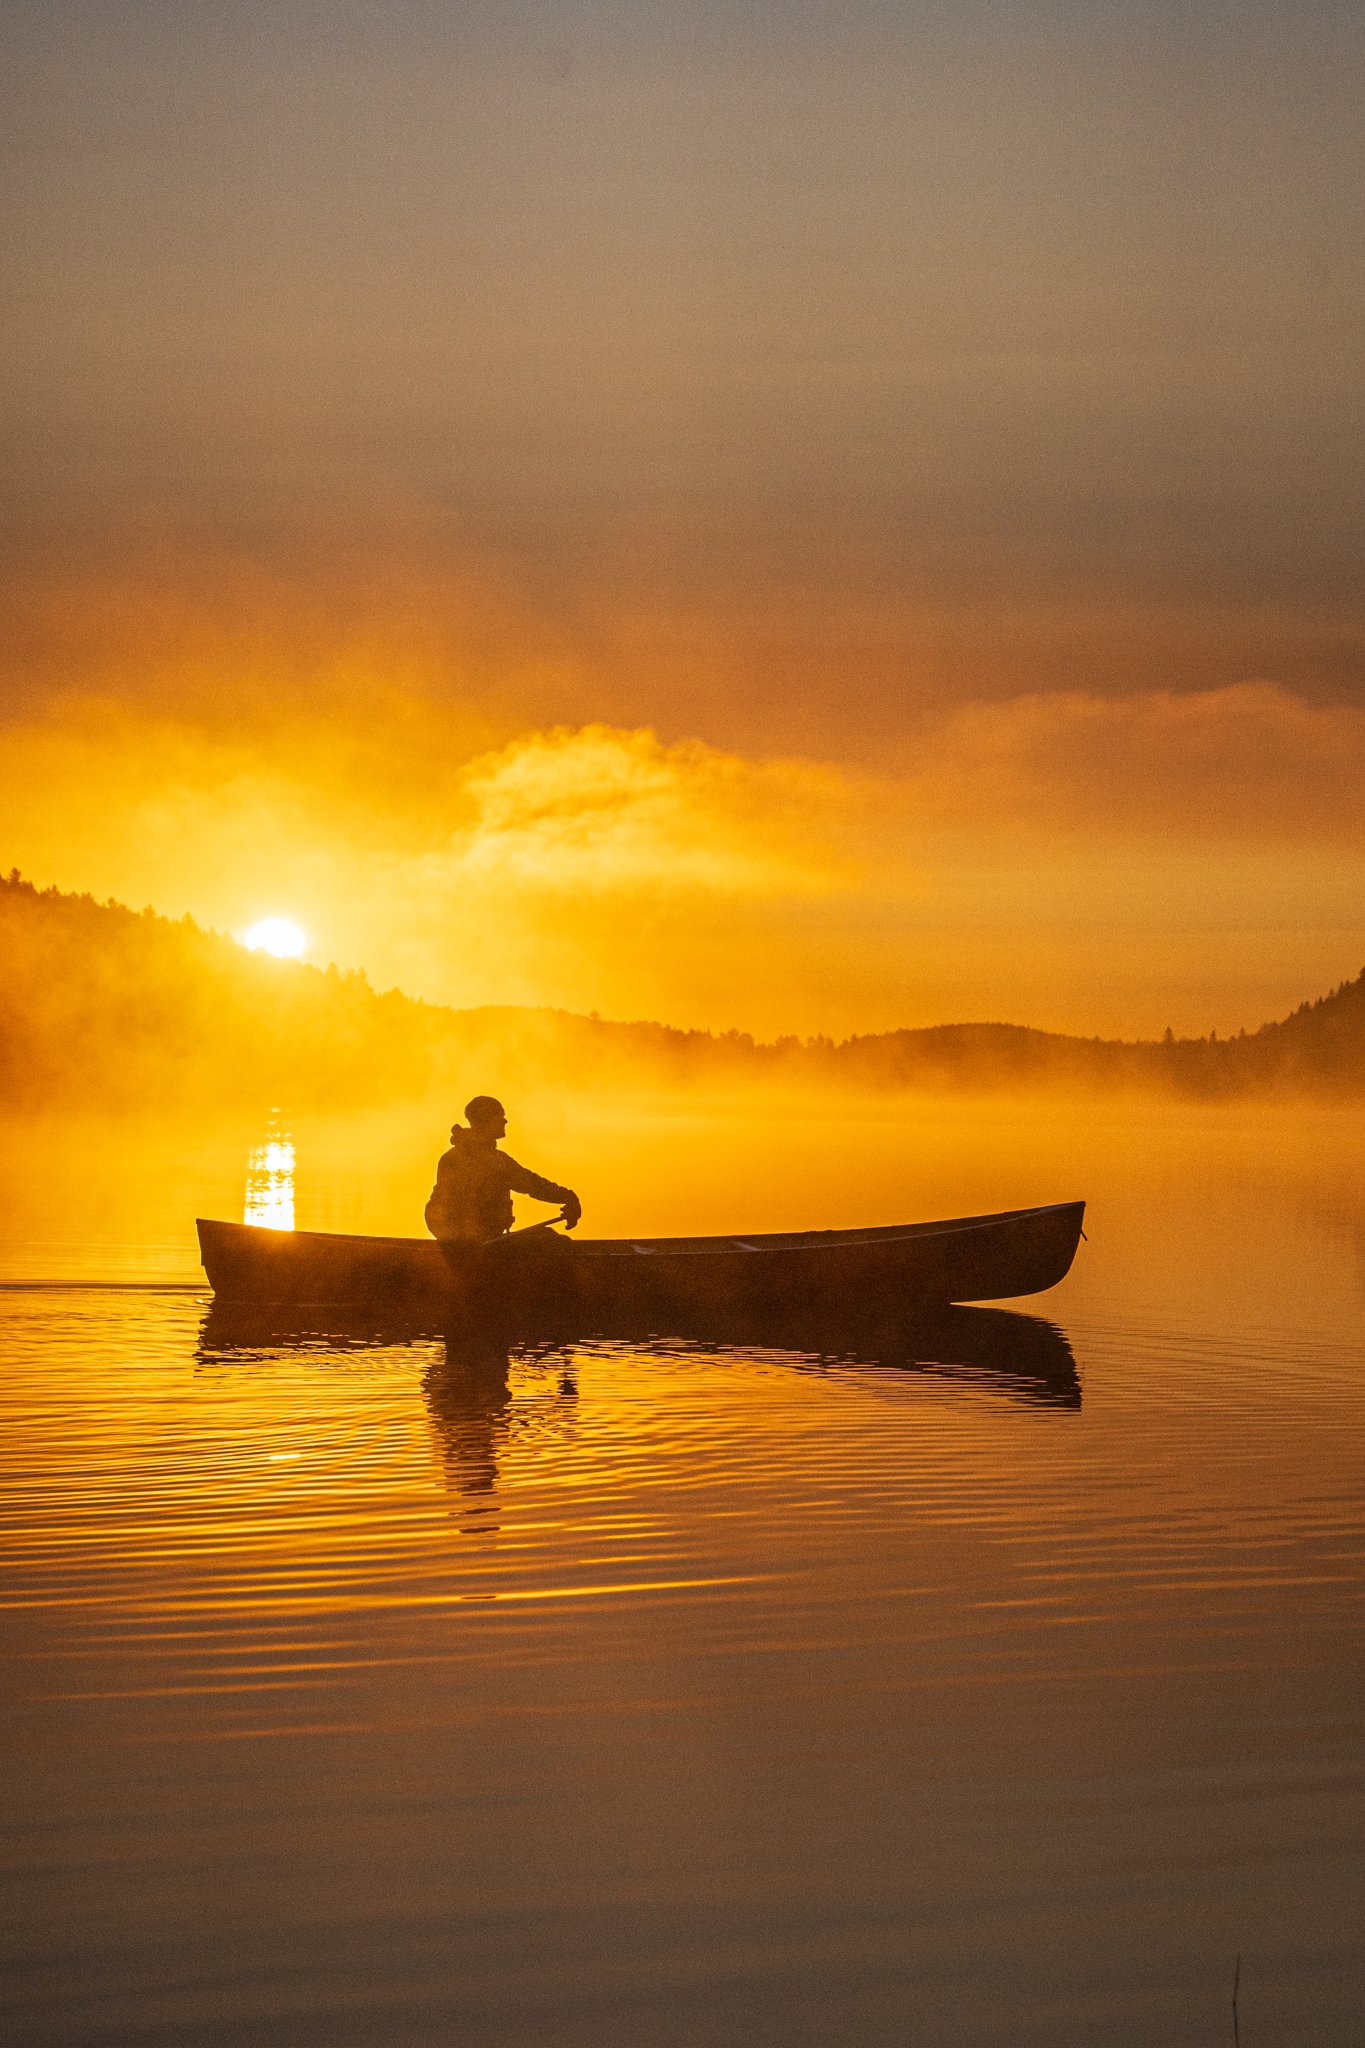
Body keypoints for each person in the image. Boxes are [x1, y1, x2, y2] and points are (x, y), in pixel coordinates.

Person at [424, 1096, 581, 1244]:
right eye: (500, 1116)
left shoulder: (459, 1157)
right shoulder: (492, 1162)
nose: (505, 1120)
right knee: (551, 1241)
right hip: (481, 1245)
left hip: (484, 1242)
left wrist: (566, 1197)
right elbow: (531, 1184)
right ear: (486, 1121)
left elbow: (531, 1182)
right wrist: (568, 1197)